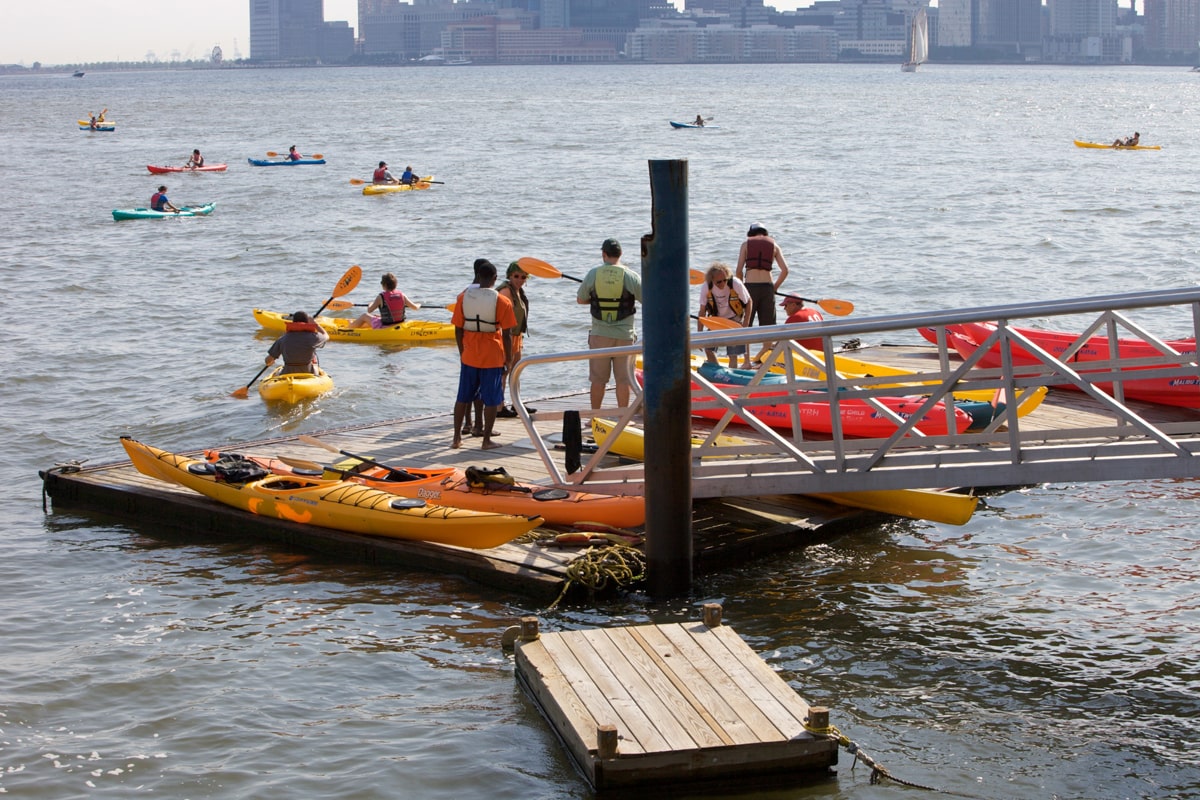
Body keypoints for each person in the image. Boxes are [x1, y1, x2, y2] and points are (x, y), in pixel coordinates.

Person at [451, 260, 517, 450]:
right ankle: (486, 440)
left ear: (478, 276)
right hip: (492, 356)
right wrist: (509, 359)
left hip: (470, 355)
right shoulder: (502, 301)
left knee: (462, 397)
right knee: (491, 400)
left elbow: (458, 329)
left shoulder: (463, 298)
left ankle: (456, 438)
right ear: (495, 278)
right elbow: (507, 334)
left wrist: (462, 352)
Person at [576, 237, 643, 409]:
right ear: (621, 254)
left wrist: (594, 300)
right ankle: (623, 415)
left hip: (600, 336)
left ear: (603, 254)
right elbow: (647, 300)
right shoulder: (630, 276)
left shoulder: (593, 274)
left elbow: (580, 299)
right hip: (625, 337)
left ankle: (594, 416)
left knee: (598, 380)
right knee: (623, 380)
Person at [697, 262, 753, 368]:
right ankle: (717, 370)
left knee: (733, 354)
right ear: (712, 280)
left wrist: (746, 323)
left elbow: (749, 301)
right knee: (708, 349)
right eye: (719, 282)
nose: (722, 283)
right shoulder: (706, 286)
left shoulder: (735, 283)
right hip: (717, 320)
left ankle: (733, 371)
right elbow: (702, 311)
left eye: (725, 280)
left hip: (734, 319)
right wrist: (700, 333)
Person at [735, 223, 789, 330]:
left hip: (750, 288)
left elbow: (739, 271)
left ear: (750, 233)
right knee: (768, 327)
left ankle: (746, 342)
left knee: (745, 325)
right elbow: (785, 270)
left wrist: (741, 289)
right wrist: (775, 287)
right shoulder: (774, 246)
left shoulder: (745, 245)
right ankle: (768, 341)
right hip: (767, 288)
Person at [495, 262, 533, 418]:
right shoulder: (505, 292)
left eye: (523, 277)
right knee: (504, 372)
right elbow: (501, 317)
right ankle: (499, 407)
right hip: (506, 336)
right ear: (509, 276)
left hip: (516, 336)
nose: (519, 280)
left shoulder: (518, 291)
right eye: (516, 276)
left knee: (516, 371)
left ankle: (517, 404)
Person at [265, 311, 329, 375]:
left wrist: (270, 362)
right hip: (308, 371)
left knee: (277, 372)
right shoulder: (313, 337)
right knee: (314, 360)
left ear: (293, 322)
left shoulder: (282, 339)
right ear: (307, 323)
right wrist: (315, 324)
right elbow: (326, 336)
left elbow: (268, 360)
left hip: (287, 372)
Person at [352, 272, 420, 328]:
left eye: (382, 283)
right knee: (376, 316)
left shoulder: (381, 297)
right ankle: (356, 324)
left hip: (386, 327)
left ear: (385, 285)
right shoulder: (402, 295)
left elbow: (369, 310)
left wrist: (370, 304)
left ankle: (349, 328)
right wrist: (419, 304)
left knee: (364, 315)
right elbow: (415, 308)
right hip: (400, 325)